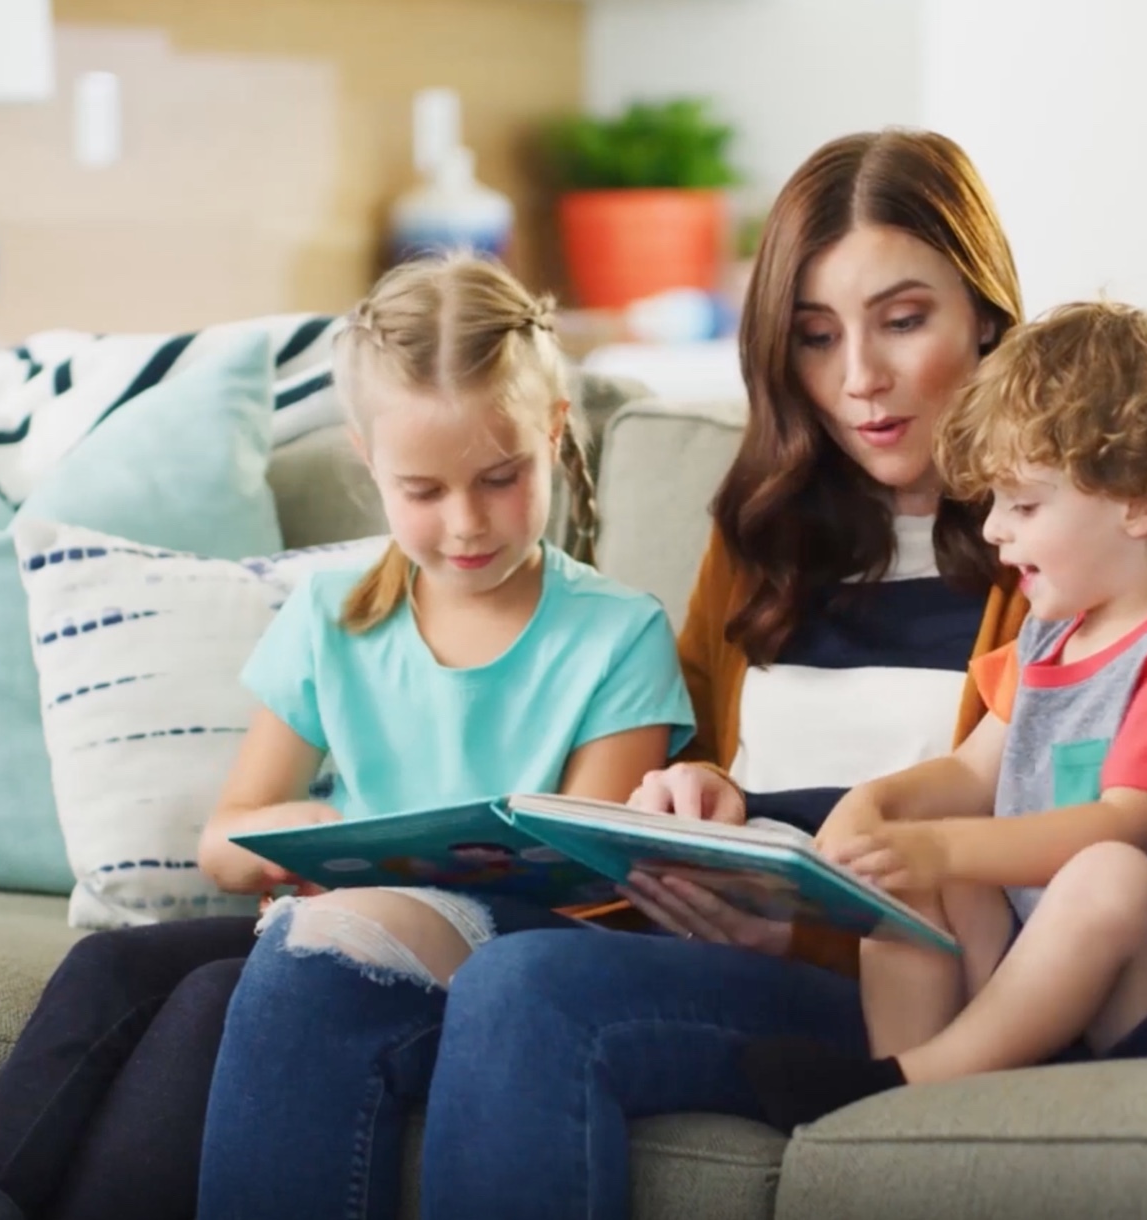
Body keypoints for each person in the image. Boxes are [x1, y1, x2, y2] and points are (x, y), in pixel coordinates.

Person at [0, 253, 689, 1220]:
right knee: (109, 968)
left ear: (554, 432)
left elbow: (597, 882)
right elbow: (223, 840)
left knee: (207, 1004)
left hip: (505, 956)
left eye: (501, 478)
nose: (465, 524)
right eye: (424, 490)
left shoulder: (618, 632)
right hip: (327, 929)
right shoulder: (335, 616)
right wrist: (308, 840)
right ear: (368, 462)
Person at [411, 127, 1032, 1220]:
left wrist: (792, 930)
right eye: (813, 336)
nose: (859, 380)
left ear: (981, 313)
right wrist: (697, 794)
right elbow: (700, 762)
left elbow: (1023, 875)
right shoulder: (763, 533)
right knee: (325, 962)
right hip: (709, 929)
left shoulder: (1051, 544)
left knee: (526, 990)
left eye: (901, 320)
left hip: (892, 984)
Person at [739, 300, 1147, 1131]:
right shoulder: (1050, 634)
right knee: (910, 873)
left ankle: (911, 1081)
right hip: (1033, 963)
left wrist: (946, 841)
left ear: (1141, 504)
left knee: (1108, 875)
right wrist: (879, 812)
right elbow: (968, 772)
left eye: (1024, 506)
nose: (994, 531)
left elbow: (1121, 827)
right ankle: (894, 1107)